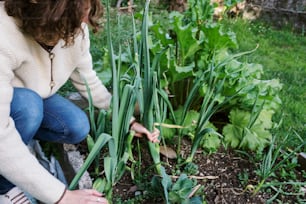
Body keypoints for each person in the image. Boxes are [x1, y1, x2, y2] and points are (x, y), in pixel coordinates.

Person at [0, 0, 160, 203]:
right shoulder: (3, 34)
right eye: (75, 21)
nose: (81, 27)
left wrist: (128, 120)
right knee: (28, 109)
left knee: (76, 126)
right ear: (46, 15)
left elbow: (88, 81)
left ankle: (22, 139)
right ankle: (4, 187)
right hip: (17, 102)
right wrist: (62, 196)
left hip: (35, 99)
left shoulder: (74, 27)